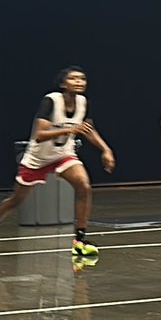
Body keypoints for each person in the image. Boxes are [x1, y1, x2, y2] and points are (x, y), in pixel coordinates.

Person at [0, 67, 115, 258]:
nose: (79, 82)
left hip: (63, 154)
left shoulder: (83, 102)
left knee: (83, 185)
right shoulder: (51, 101)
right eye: (73, 78)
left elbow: (88, 129)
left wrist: (105, 149)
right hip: (38, 158)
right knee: (16, 200)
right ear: (63, 84)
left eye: (82, 79)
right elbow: (39, 135)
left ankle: (80, 239)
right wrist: (70, 129)